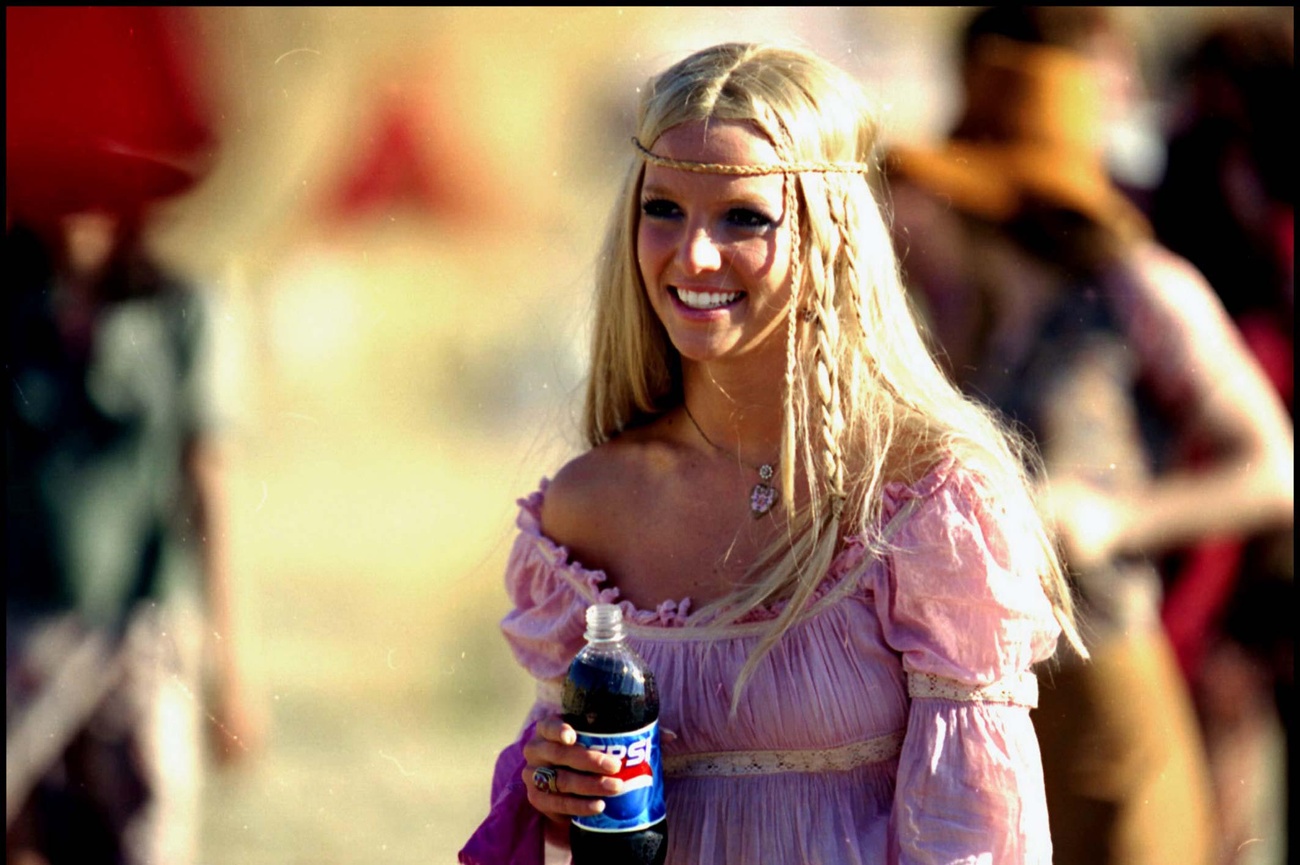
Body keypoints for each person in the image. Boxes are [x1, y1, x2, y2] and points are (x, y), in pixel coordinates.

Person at [460, 41, 1085, 865]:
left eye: (744, 217)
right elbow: (590, 819)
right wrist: (555, 786)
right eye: (663, 209)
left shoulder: (931, 498)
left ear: (833, 238)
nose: (693, 255)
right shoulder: (586, 507)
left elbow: (977, 840)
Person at [882, 7, 1295, 865]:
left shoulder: (1138, 288)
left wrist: (1117, 517)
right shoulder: (959, 306)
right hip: (990, 700)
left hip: (1109, 679)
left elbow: (1275, 469)